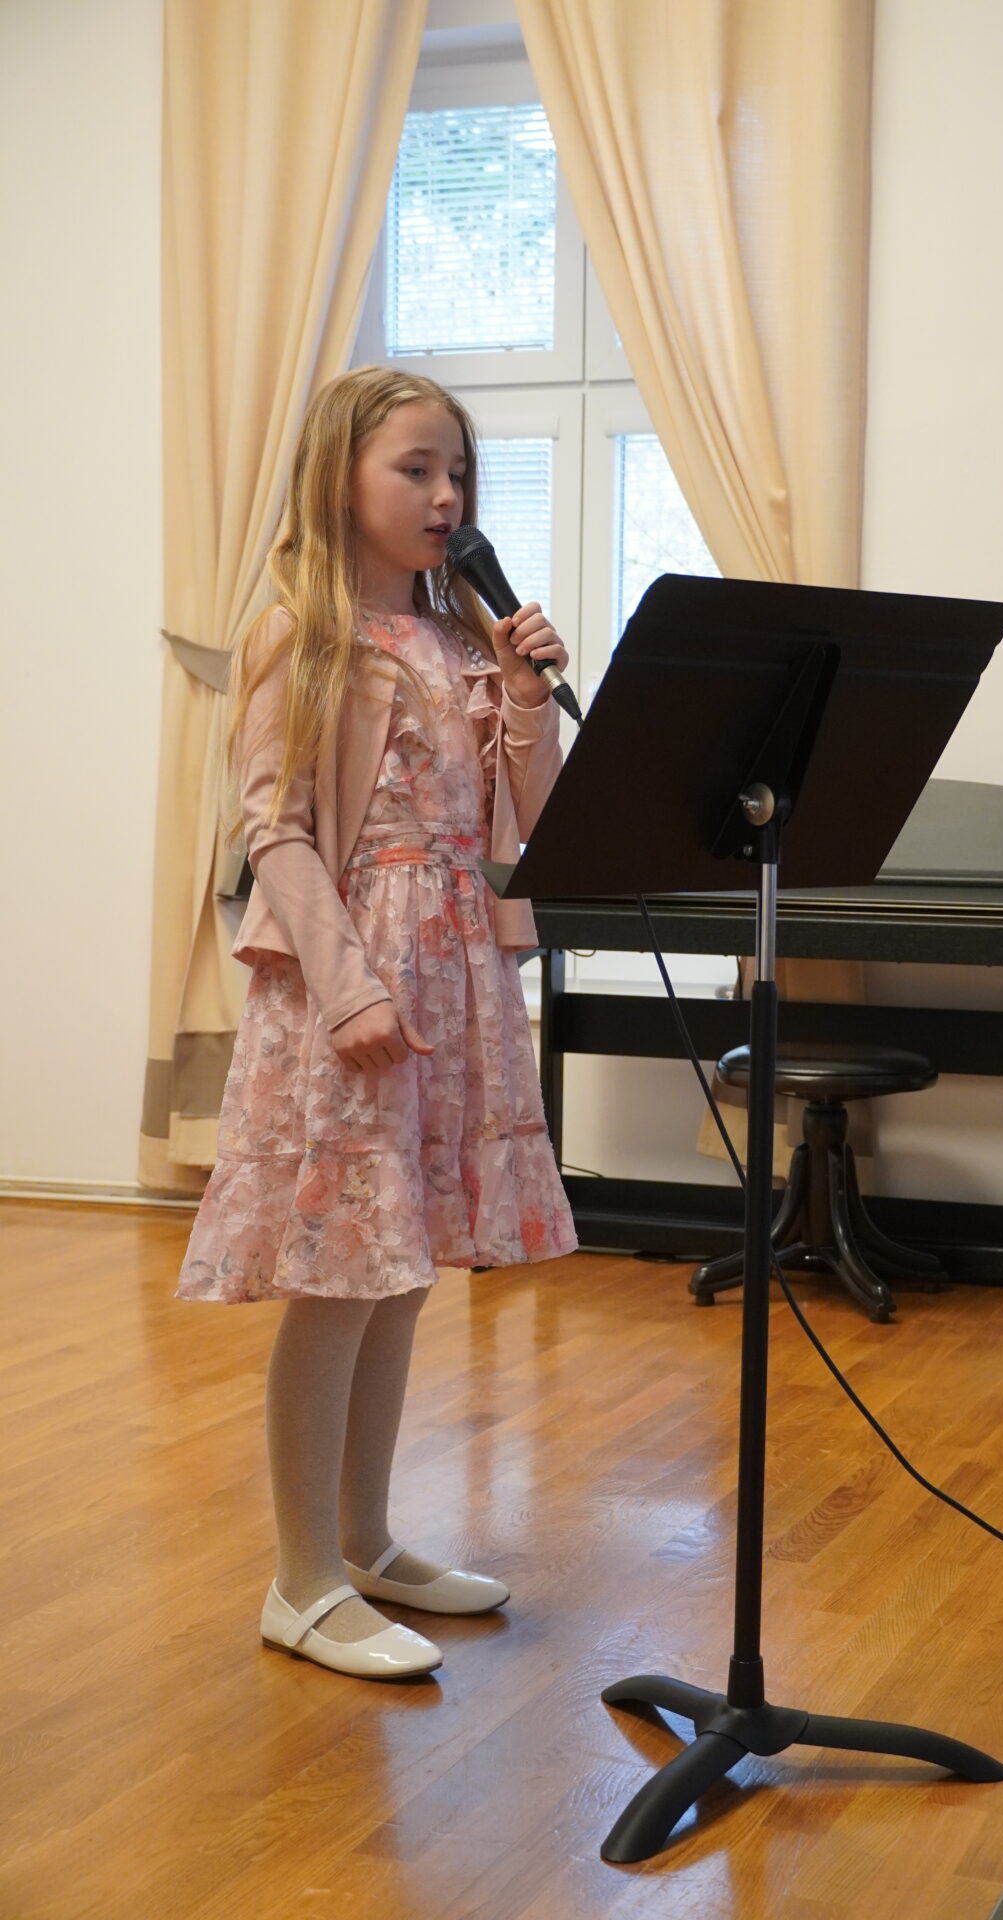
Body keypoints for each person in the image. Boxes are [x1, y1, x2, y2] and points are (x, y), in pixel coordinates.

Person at [175, 366, 578, 1679]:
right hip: (356, 980)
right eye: (416, 468)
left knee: (398, 1272)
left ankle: (365, 1542)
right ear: (340, 476)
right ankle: (299, 1582)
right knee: (341, 1275)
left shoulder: (462, 643)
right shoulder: (302, 634)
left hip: (455, 974)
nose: (446, 495)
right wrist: (348, 985)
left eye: (458, 472)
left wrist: (525, 696)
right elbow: (275, 829)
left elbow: (528, 824)